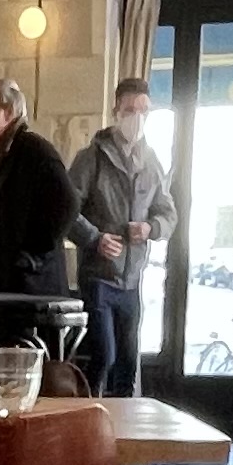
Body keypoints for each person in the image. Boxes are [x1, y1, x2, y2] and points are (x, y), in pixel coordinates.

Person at [66, 78, 175, 400]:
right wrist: (95, 238)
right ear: (116, 111)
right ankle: (89, 416)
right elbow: (66, 210)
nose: (137, 118)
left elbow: (168, 213)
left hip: (132, 280)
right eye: (130, 110)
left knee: (128, 364)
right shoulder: (91, 158)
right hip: (98, 276)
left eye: (144, 111)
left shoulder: (151, 162)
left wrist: (151, 228)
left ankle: (126, 426)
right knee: (104, 357)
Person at [0, 76, 77, 342]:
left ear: (8, 112)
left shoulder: (34, 150)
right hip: (4, 291)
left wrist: (31, 257)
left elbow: (68, 204)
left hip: (30, 294)